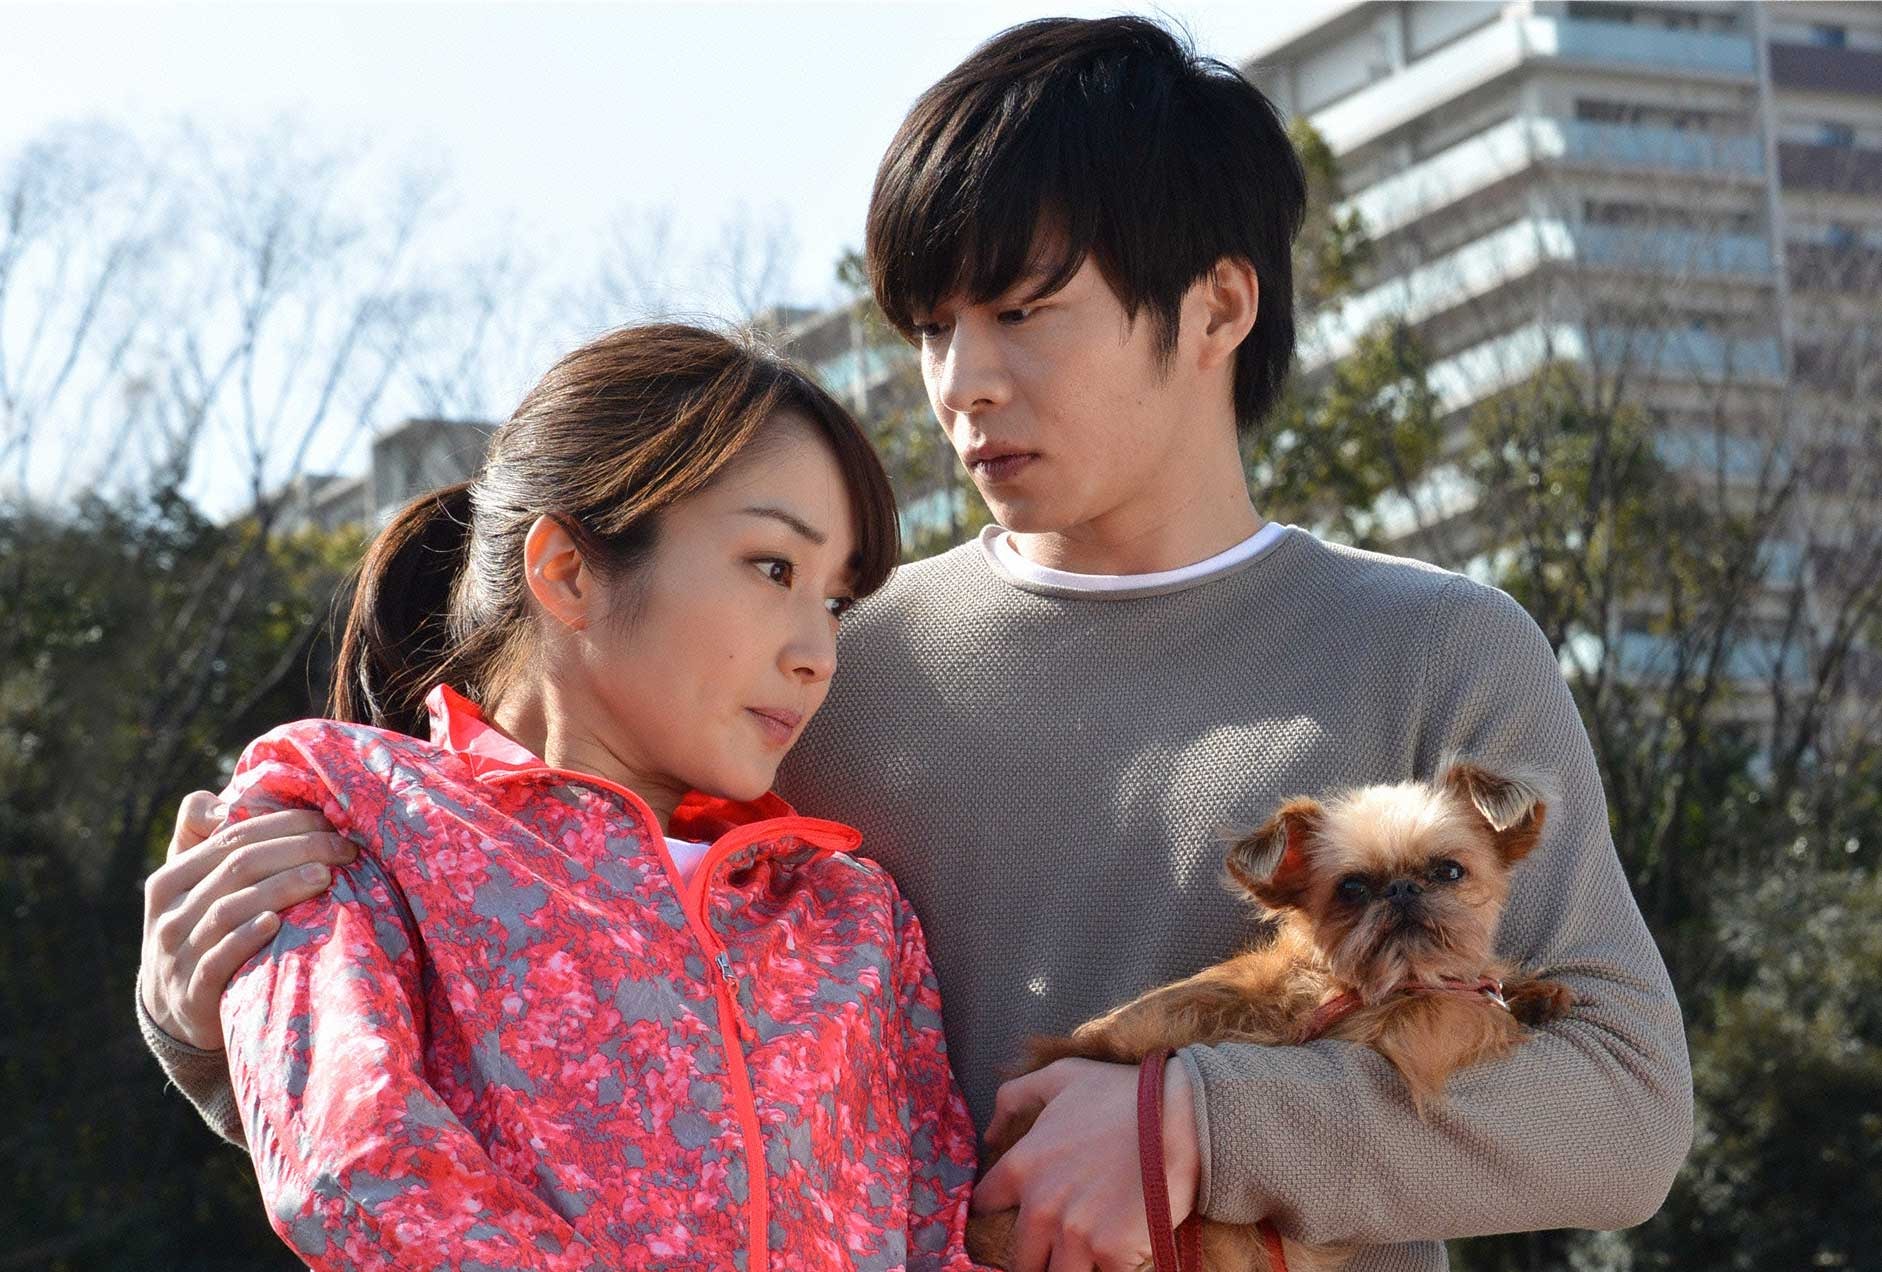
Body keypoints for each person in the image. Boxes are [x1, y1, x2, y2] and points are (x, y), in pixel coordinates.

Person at [138, 17, 1693, 1271]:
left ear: (1218, 306)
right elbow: (567, 1033)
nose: (960, 385)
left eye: (1020, 312)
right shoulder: (818, 672)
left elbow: (1623, 1107)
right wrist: (223, 1026)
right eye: (931, 327)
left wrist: (1196, 1124)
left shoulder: (1431, 649)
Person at [161, 322, 980, 1269]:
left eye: (835, 601)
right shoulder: (353, 811)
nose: (819, 654)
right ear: (568, 571)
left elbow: (941, 1227)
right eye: (773, 569)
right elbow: (361, 1171)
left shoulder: (853, 916)